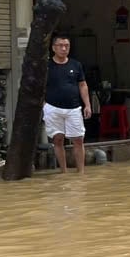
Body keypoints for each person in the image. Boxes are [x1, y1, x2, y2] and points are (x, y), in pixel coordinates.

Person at [44, 33, 91, 173]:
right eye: (60, 46)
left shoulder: (76, 65)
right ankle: (63, 171)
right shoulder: (47, 66)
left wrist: (87, 104)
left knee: (78, 139)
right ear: (53, 48)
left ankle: (81, 172)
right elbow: (38, 86)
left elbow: (82, 85)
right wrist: (44, 105)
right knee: (58, 139)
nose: (64, 48)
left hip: (74, 108)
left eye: (66, 46)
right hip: (52, 107)